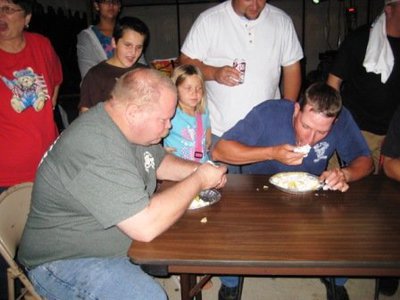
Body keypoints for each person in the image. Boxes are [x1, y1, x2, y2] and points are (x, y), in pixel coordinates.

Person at [17, 68, 227, 299]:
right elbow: (144, 226)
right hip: (63, 260)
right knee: (149, 296)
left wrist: (200, 170)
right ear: (134, 112)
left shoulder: (125, 125)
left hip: (105, 236)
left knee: (186, 228)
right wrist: (198, 181)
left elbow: (158, 161)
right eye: (164, 119)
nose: (169, 126)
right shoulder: (95, 146)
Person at [212, 82, 374, 300]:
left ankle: (335, 280)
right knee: (230, 223)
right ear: (297, 109)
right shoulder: (270, 112)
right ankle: (231, 282)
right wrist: (271, 153)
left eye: (322, 132)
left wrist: (345, 174)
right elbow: (219, 150)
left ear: (334, 122)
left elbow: (365, 161)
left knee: (342, 224)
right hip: (257, 194)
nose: (310, 139)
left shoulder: (342, 119)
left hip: (309, 196)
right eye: (306, 127)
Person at [0, 0, 62, 297]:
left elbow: (54, 87)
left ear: (27, 17)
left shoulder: (41, 45)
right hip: (4, 176)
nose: (1, 16)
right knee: (4, 261)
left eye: (9, 8)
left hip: (47, 171)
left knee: (47, 248)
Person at [179, 0, 303, 141]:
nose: (255, 5)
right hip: (219, 132)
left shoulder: (281, 21)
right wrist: (214, 73)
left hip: (266, 131)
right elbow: (185, 62)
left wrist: (285, 112)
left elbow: (292, 67)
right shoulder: (209, 20)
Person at [327, 0, 400, 173]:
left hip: (391, 134)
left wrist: (393, 136)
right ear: (389, 9)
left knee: (377, 192)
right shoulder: (361, 38)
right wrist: (334, 122)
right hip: (356, 129)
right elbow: (333, 81)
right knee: (340, 184)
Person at [79, 16, 149, 112]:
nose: (133, 52)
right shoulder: (95, 76)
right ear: (114, 42)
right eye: (128, 45)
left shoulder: (146, 72)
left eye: (139, 47)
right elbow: (86, 117)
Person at [76, 0, 146, 80]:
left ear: (119, 6)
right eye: (106, 1)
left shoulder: (130, 32)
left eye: (115, 1)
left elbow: (141, 66)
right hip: (101, 89)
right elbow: (87, 75)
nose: (111, 4)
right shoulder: (87, 37)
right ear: (96, 5)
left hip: (132, 87)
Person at [163, 64, 212, 163]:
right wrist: (160, 151)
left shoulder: (203, 111)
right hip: (177, 166)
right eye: (188, 88)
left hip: (201, 164)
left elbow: (207, 126)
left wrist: (208, 140)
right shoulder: (171, 113)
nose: (194, 93)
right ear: (175, 89)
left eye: (199, 88)